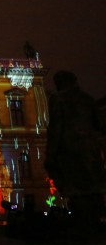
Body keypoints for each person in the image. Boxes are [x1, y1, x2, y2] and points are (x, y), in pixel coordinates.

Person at [44, 70, 106, 232]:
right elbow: (99, 125)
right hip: (91, 149)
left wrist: (51, 153)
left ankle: (83, 226)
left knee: (76, 187)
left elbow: (56, 127)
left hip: (70, 148)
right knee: (92, 186)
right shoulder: (88, 99)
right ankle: (96, 222)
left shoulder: (58, 99)